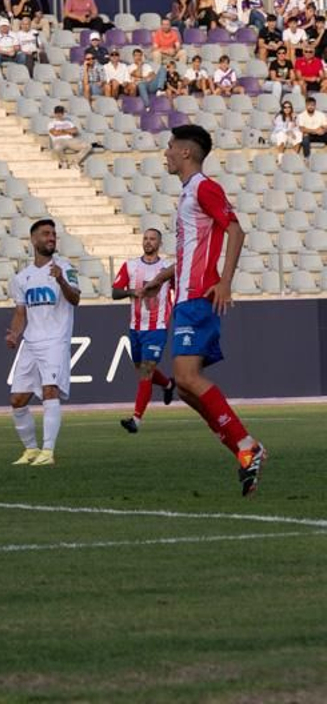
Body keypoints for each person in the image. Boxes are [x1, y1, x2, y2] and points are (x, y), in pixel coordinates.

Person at [137, 124, 265, 496]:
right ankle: (244, 450)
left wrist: (224, 281)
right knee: (184, 389)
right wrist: (162, 277)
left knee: (188, 379)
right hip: (186, 299)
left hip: (199, 299)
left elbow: (236, 231)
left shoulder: (204, 187)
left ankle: (246, 445)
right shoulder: (188, 194)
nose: (167, 152)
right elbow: (191, 251)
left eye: (170, 146)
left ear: (186, 152)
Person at [6, 219, 81, 467]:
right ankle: (31, 450)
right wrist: (15, 335)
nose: (51, 238)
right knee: (17, 399)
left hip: (55, 341)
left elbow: (75, 299)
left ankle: (48, 452)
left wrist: (60, 280)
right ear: (33, 239)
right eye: (46, 234)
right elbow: (20, 313)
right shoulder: (22, 277)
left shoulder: (65, 268)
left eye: (53, 234)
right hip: (31, 342)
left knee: (50, 390)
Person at [113, 229, 176, 434]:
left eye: (152, 239)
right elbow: (115, 292)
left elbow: (180, 288)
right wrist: (132, 292)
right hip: (135, 328)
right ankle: (167, 385)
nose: (148, 242)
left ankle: (136, 419)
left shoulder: (167, 268)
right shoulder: (131, 266)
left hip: (157, 328)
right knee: (142, 369)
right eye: (145, 239)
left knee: (146, 371)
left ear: (159, 243)